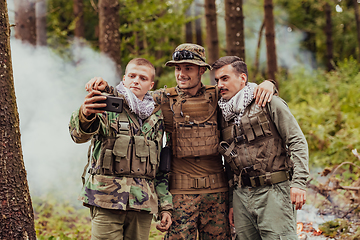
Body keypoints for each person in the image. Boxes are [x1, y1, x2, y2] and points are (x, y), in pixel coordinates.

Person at [86, 44, 275, 239]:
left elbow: (244, 92)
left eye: (188, 68)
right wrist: (106, 87)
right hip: (180, 193)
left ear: (201, 70)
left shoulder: (217, 95)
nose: (181, 74)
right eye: (178, 68)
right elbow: (131, 96)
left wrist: (269, 84)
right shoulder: (162, 98)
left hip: (216, 193)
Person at [69, 58, 173, 240]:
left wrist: (165, 207)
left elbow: (159, 169)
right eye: (132, 76)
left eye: (142, 78)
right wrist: (85, 114)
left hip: (142, 204)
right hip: (106, 199)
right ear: (124, 79)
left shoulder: (157, 118)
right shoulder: (108, 104)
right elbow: (79, 136)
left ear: (151, 85)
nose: (136, 81)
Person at [213, 56, 309, 240]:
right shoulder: (223, 113)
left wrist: (299, 183)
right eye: (217, 80)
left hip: (274, 192)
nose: (220, 85)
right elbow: (229, 163)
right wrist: (233, 201)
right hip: (242, 196)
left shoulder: (268, 102)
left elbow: (297, 141)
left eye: (225, 78)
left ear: (242, 78)